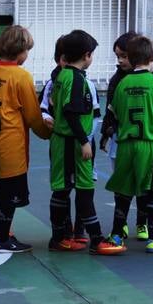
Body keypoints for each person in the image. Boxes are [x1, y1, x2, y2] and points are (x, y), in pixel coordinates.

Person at [47, 30, 123, 254]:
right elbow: (71, 113)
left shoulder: (61, 75)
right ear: (87, 55)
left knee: (62, 189)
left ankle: (59, 237)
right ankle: (96, 239)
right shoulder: (77, 79)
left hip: (62, 141)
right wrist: (84, 141)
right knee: (84, 188)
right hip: (72, 142)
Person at [0, 25, 52, 253]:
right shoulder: (20, 76)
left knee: (3, 188)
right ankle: (2, 238)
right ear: (20, 50)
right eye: (27, 50)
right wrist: (49, 132)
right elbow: (32, 114)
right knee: (10, 194)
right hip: (12, 141)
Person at [105, 34, 153, 252]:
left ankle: (117, 235)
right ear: (152, 57)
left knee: (124, 189)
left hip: (126, 144)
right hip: (149, 144)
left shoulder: (122, 83)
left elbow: (114, 113)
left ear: (131, 58)